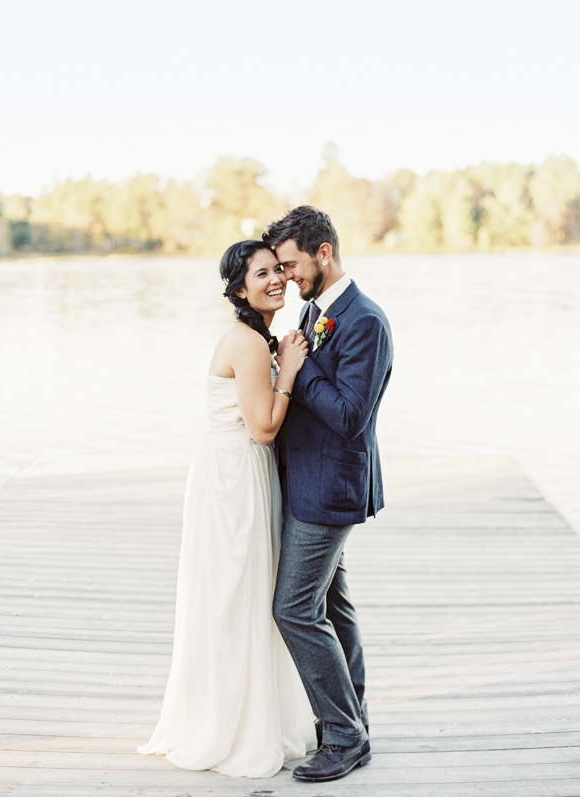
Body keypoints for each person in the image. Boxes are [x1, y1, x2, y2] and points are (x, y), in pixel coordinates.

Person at [138, 239, 316, 778]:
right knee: (236, 593)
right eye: (261, 274)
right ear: (239, 289)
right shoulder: (246, 341)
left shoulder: (256, 336)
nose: (276, 279)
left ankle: (246, 713)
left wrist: (280, 358)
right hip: (234, 479)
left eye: (279, 270)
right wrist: (288, 370)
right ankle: (230, 725)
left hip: (238, 473)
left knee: (242, 592)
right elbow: (263, 430)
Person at [262, 206, 393, 783]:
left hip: (330, 487)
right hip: (305, 481)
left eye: (291, 264)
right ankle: (352, 721)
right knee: (332, 608)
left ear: (323, 253)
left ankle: (342, 735)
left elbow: (349, 417)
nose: (286, 276)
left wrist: (300, 365)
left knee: (292, 608)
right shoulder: (314, 313)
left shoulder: (364, 320)